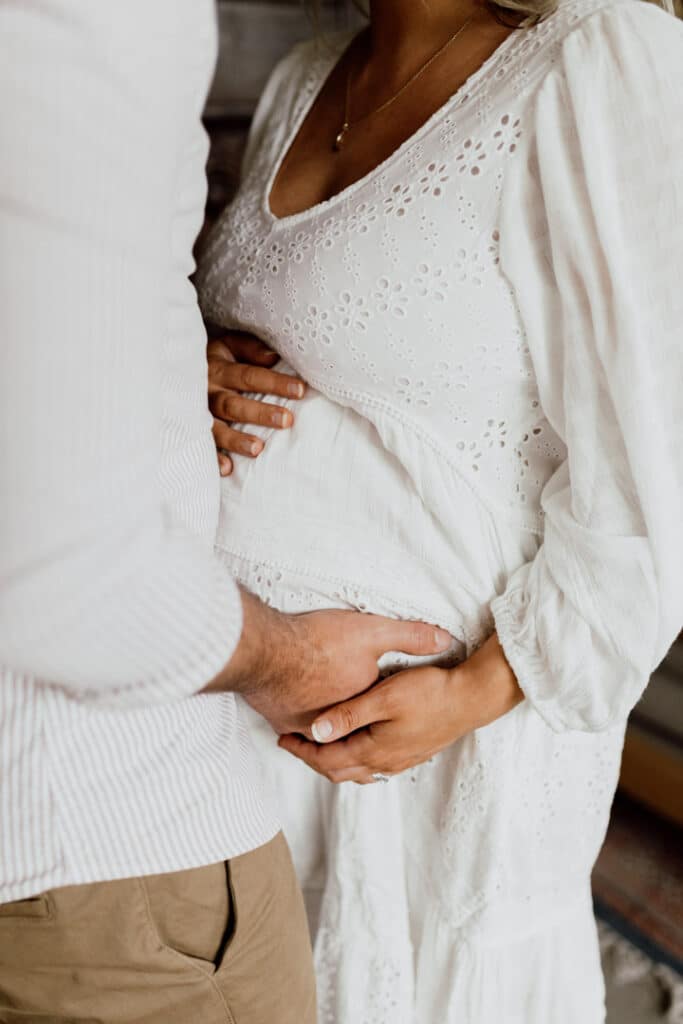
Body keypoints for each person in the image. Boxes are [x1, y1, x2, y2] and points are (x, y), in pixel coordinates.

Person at [196, 0, 683, 1018]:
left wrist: (473, 691)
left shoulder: (592, 63)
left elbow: (652, 471)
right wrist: (191, 373)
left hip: (429, 763)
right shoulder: (303, 77)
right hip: (236, 735)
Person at [0, 3, 451, 1021]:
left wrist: (131, 365)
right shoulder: (105, 21)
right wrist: (287, 660)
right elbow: (77, 584)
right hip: (104, 839)